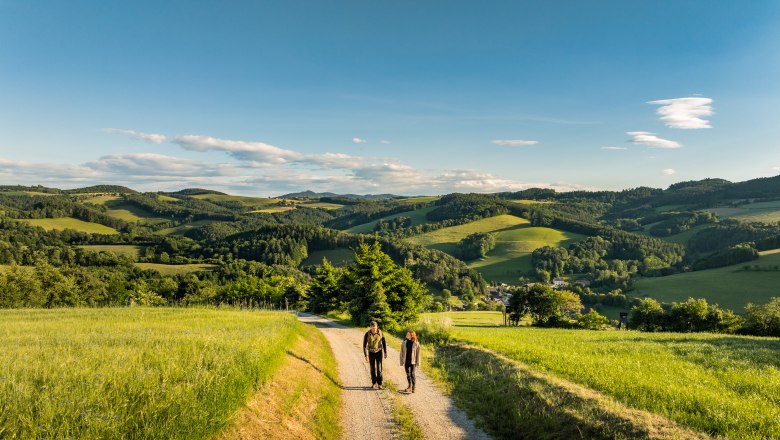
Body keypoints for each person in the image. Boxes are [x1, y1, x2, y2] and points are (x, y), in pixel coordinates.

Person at [363, 320, 387, 389]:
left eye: (375, 328)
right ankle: (374, 383)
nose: (374, 329)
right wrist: (366, 355)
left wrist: (385, 352)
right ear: (370, 327)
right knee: (372, 369)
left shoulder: (381, 333)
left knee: (379, 369)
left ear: (377, 327)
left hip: (379, 352)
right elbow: (364, 345)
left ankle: (379, 383)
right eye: (372, 328)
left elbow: (384, 342)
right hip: (371, 353)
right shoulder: (367, 334)